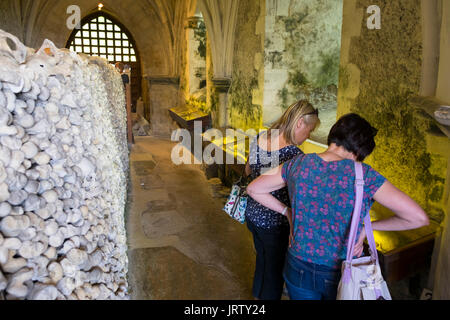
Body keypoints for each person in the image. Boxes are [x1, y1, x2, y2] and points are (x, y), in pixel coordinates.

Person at [247, 113, 429, 300]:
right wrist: (368, 228)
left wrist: (288, 212)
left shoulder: (298, 163)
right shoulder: (365, 175)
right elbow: (418, 218)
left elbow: (254, 189)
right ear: (360, 151)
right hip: (339, 270)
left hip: (297, 265)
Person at [244, 100, 320, 300]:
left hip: (252, 215)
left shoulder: (261, 137)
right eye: (309, 130)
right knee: (274, 272)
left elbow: (248, 170)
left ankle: (257, 296)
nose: (308, 136)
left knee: (263, 260)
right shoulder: (294, 155)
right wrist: (288, 211)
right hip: (274, 223)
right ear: (299, 124)